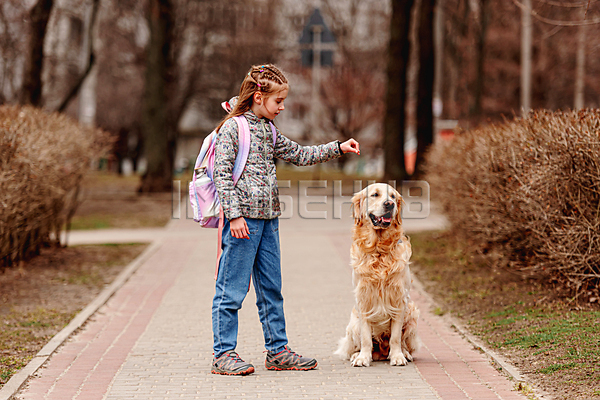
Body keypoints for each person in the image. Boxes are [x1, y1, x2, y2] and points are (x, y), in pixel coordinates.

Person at [211, 64, 360, 376]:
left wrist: (338, 147)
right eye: (278, 101)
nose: (282, 107)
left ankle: (277, 350)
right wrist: (234, 215)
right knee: (232, 290)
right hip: (242, 223)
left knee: (271, 289)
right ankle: (223, 354)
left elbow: (300, 154)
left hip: (268, 221)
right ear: (257, 96)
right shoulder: (232, 128)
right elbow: (221, 175)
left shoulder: (268, 130)